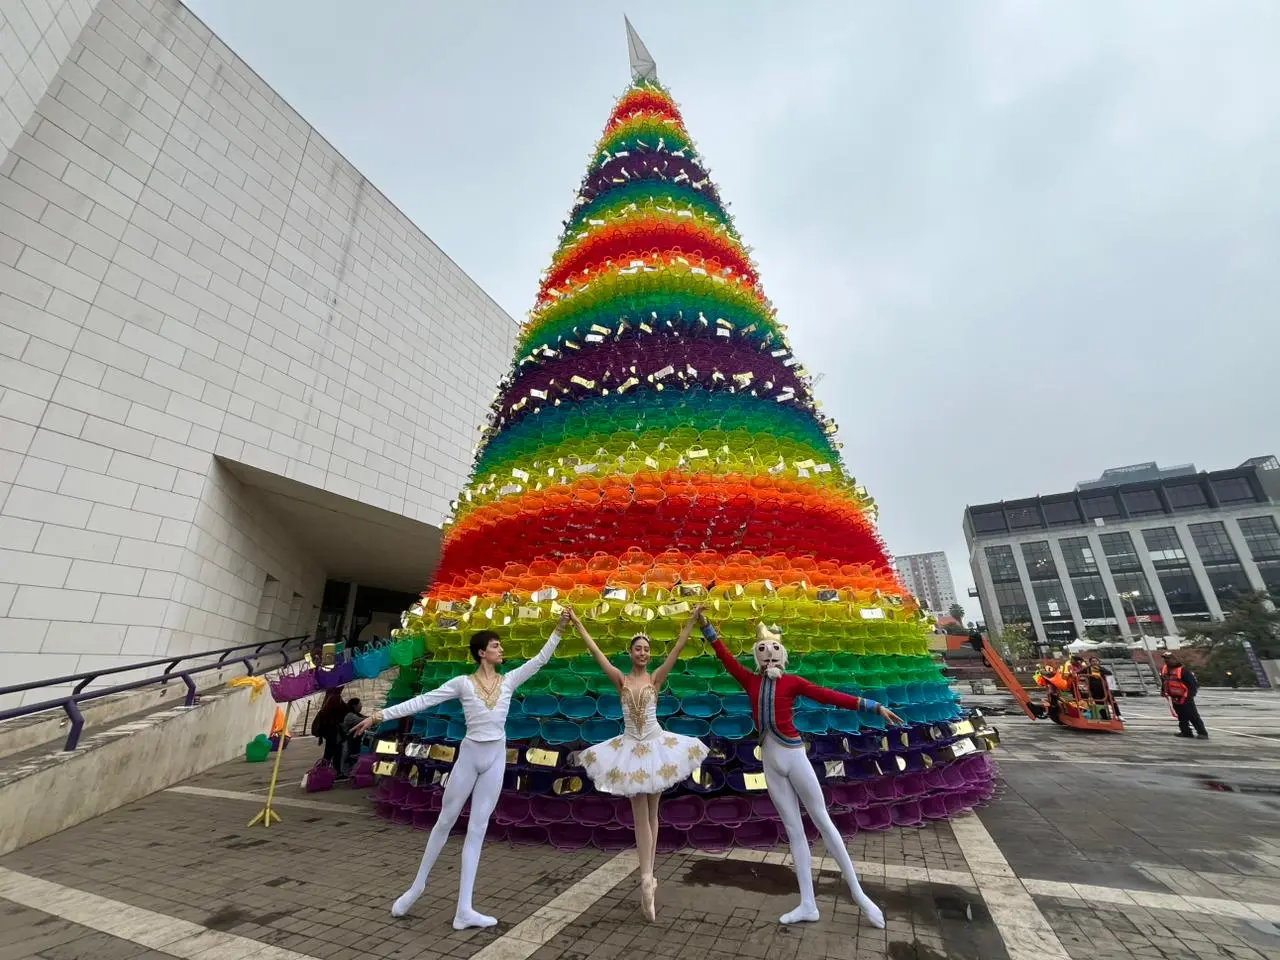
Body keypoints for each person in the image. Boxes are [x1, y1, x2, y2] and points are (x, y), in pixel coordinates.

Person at [351, 611, 569, 928]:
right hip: (469, 756)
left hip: (496, 757)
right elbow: (422, 701)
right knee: (445, 820)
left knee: (477, 830)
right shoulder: (462, 684)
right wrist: (378, 716)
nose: (501, 650)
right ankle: (416, 887)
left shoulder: (509, 681)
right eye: (496, 646)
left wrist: (559, 629)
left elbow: (539, 660)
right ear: (482, 652)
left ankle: (464, 910)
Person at [701, 613, 902, 929]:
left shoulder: (793, 682)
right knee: (794, 831)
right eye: (763, 649)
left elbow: (829, 696)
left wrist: (873, 707)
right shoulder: (750, 680)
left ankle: (860, 894)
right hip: (770, 760)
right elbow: (725, 657)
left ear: (783, 653)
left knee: (822, 820)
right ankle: (808, 904)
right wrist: (705, 626)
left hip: (794, 756)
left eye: (774, 649)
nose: (769, 654)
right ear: (757, 655)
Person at [569, 606, 708, 921]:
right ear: (630, 653)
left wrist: (691, 621)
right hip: (639, 748)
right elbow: (596, 651)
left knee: (645, 815)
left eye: (646, 649)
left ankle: (647, 876)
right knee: (648, 814)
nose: (643, 653)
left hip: (648, 748)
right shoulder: (631, 678)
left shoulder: (643, 678)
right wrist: (578, 623)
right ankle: (648, 878)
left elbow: (677, 647)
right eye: (638, 649)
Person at [1160, 651, 1207, 739]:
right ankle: (1186, 732)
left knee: (1193, 715)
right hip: (1174, 696)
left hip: (1185, 697)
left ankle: (1202, 733)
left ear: (1174, 659)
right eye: (1165, 659)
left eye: (1168, 658)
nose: (1166, 661)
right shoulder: (1164, 670)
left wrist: (1189, 696)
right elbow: (1164, 681)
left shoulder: (1184, 671)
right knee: (1181, 716)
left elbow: (1193, 685)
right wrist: (1163, 691)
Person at [311, 688, 348, 768]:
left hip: (329, 736)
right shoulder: (337, 711)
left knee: (328, 754)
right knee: (335, 755)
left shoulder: (325, 711)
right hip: (335, 736)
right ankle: (331, 771)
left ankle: (324, 770)